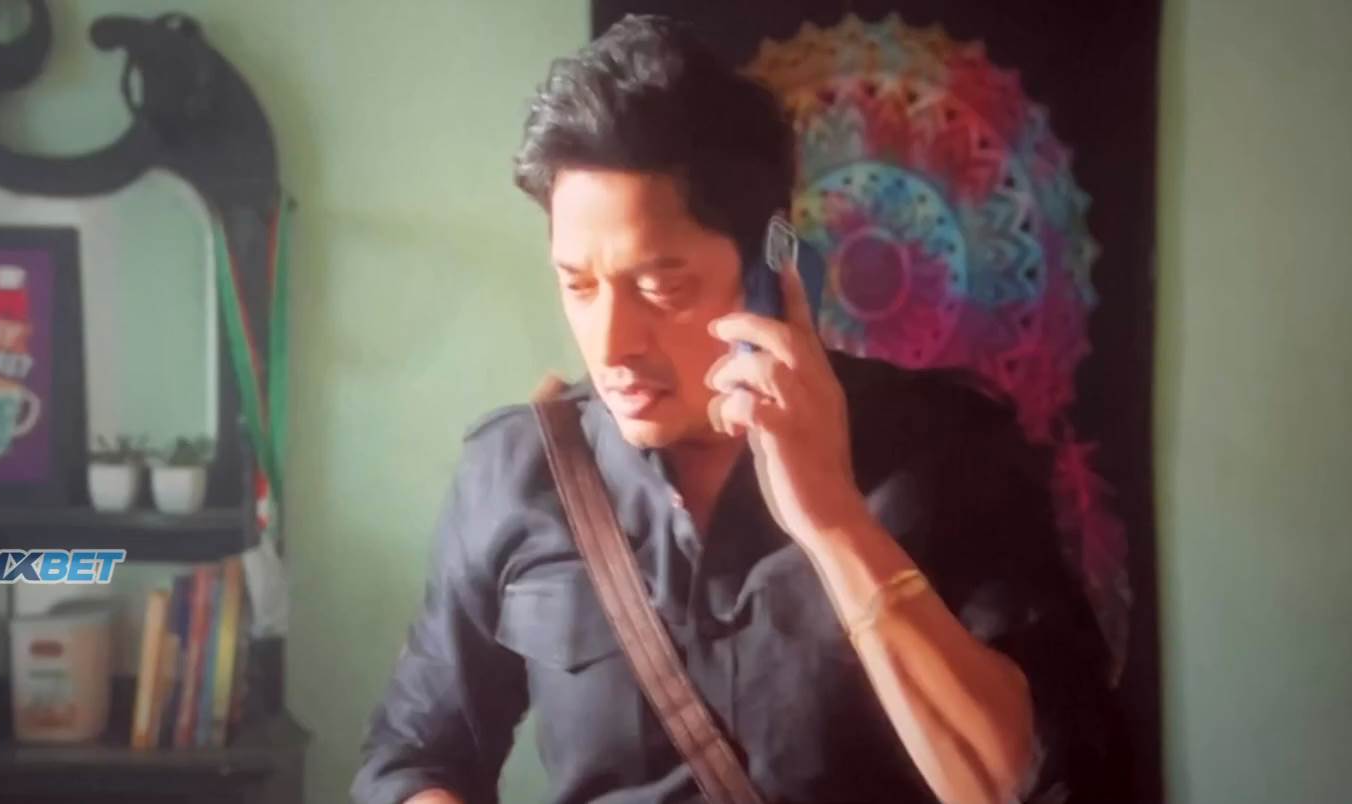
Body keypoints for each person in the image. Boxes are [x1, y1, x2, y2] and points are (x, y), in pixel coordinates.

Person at [353, 14, 1120, 804]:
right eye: (578, 285)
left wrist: (835, 522)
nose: (611, 345)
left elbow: (1039, 784)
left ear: (771, 267)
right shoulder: (518, 471)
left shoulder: (949, 451)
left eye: (661, 287)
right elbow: (414, 756)